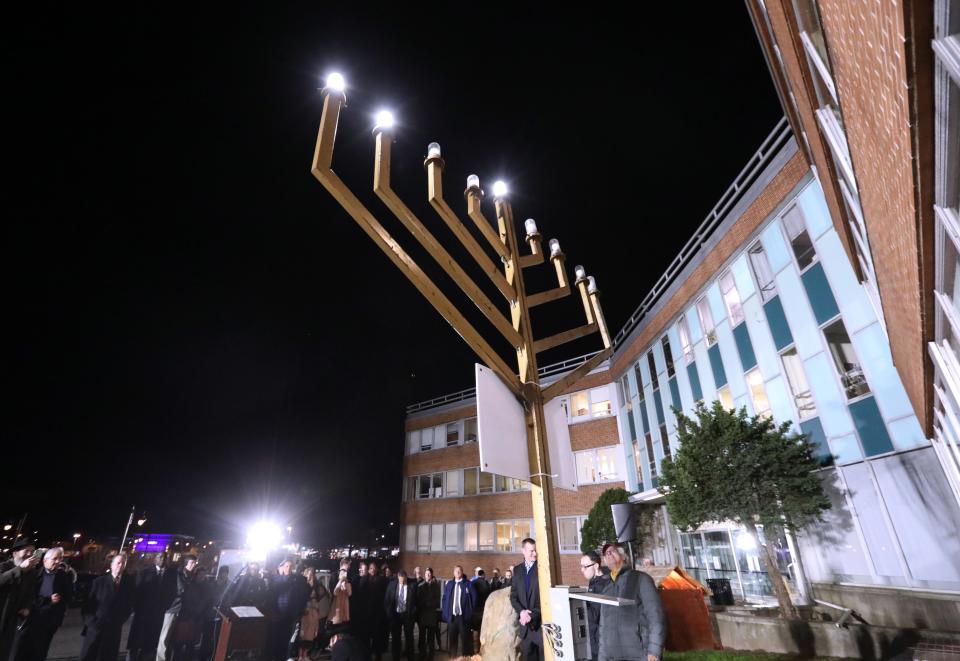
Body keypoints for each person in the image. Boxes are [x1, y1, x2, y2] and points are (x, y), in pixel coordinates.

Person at [598, 543, 666, 661]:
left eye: (612, 551)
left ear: (624, 556)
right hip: (612, 656)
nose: (608, 554)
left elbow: (656, 616)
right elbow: (603, 627)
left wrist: (654, 651)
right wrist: (602, 657)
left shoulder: (641, 579)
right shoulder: (606, 588)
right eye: (605, 554)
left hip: (640, 654)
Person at [14, 547, 73, 661]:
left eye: (60, 559)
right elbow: (28, 596)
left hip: (49, 621)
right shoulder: (34, 574)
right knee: (23, 650)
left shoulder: (64, 576)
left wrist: (60, 601)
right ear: (45, 561)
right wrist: (49, 600)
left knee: (41, 652)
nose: (58, 562)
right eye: (55, 558)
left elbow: (69, 596)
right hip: (31, 619)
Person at [81, 552, 134, 661]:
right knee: (89, 656)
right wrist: (92, 622)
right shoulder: (99, 582)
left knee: (108, 656)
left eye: (123, 563)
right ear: (111, 565)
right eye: (118, 562)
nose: (121, 565)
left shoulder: (127, 584)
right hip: (96, 629)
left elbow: (128, 605)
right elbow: (87, 605)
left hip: (114, 629)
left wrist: (120, 620)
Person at [128, 553, 177, 661]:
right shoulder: (145, 572)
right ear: (155, 559)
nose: (163, 560)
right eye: (160, 557)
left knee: (149, 644)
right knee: (136, 643)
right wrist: (138, 608)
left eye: (165, 557)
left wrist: (164, 607)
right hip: (142, 613)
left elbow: (172, 593)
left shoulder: (170, 575)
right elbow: (137, 591)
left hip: (157, 614)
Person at [0, 539, 41, 661]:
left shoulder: (32, 573)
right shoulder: (4, 566)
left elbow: (31, 593)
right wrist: (20, 569)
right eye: (26, 551)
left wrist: (27, 606)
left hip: (14, 617)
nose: (29, 554)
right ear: (14, 553)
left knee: (6, 649)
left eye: (32, 552)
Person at [156, 555, 199, 661]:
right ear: (186, 563)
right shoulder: (177, 573)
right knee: (164, 638)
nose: (194, 565)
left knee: (175, 639)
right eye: (191, 563)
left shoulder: (190, 576)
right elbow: (179, 590)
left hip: (183, 611)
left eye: (195, 563)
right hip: (173, 609)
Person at [264, 560, 309, 661]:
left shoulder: (297, 581)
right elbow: (272, 595)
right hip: (277, 615)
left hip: (290, 616)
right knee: (274, 639)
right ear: (282, 567)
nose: (288, 568)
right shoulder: (276, 580)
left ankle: (283, 657)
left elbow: (303, 596)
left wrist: (299, 610)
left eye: (290, 566)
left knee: (285, 640)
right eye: (286, 566)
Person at [510, 538, 543, 661]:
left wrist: (532, 614)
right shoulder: (517, 570)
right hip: (525, 629)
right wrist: (522, 612)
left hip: (540, 627)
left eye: (536, 551)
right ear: (523, 551)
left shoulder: (542, 568)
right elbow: (513, 597)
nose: (535, 554)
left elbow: (544, 598)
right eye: (531, 551)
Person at [440, 565, 475, 659]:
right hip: (452, 617)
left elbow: (474, 598)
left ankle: (466, 659)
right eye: (456, 571)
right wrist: (445, 613)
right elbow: (444, 599)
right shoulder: (450, 584)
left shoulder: (468, 584)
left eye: (459, 571)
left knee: (465, 642)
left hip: (463, 617)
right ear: (453, 573)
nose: (458, 572)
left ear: (462, 572)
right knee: (452, 642)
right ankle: (452, 658)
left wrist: (470, 612)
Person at [580, 551, 609, 661]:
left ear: (596, 566)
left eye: (585, 567)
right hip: (594, 642)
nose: (582, 570)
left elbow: (594, 616)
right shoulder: (594, 582)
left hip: (600, 645)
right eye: (581, 566)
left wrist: (580, 603)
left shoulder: (602, 585)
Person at [297, 567, 331, 660]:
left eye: (312, 574)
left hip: (314, 611)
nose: (311, 576)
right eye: (309, 573)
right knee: (303, 633)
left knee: (310, 634)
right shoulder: (303, 584)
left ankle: (305, 655)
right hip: (305, 612)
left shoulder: (317, 585)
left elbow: (323, 595)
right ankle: (300, 655)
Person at [383, 570, 415, 661]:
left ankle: (410, 658)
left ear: (406, 577)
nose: (402, 582)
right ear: (398, 577)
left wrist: (412, 612)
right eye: (400, 580)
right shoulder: (392, 585)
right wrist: (389, 614)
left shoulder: (412, 585)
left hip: (407, 615)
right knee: (396, 639)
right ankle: (396, 657)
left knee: (409, 638)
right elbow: (387, 600)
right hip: (395, 616)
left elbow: (416, 601)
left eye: (403, 580)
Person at [361, 561, 388, 660]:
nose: (372, 570)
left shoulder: (382, 579)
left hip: (378, 612)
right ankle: (367, 655)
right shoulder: (364, 579)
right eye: (371, 568)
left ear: (376, 569)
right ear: (368, 570)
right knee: (367, 636)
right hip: (367, 612)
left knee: (377, 635)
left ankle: (378, 655)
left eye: (374, 568)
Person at [415, 568, 440, 659]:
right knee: (422, 637)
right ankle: (422, 654)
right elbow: (417, 600)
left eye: (429, 574)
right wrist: (423, 604)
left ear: (432, 575)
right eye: (426, 573)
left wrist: (428, 604)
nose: (428, 575)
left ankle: (430, 656)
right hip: (422, 615)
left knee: (431, 638)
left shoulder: (436, 586)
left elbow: (437, 601)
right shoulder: (420, 586)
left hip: (432, 615)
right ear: (424, 575)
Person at [469, 568, 489, 646]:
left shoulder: (473, 582)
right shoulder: (486, 583)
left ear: (478, 575)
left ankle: (472, 647)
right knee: (481, 628)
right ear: (483, 575)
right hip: (483, 609)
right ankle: (480, 646)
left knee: (473, 628)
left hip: (474, 609)